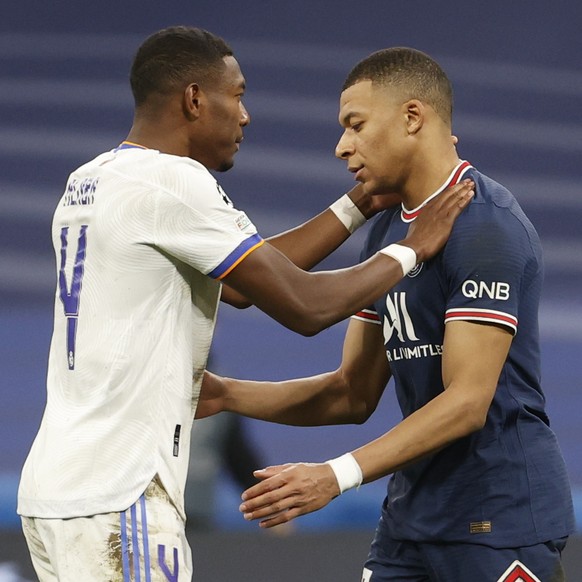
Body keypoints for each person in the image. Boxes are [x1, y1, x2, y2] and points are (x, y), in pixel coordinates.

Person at [16, 28, 473, 581]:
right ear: (193, 100)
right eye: (236, 95)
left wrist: (355, 206)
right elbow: (304, 306)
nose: (246, 115)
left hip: (55, 490)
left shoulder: (89, 180)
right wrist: (411, 250)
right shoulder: (173, 181)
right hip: (122, 490)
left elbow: (238, 285)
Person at [198, 47, 575, 581]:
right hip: (413, 518)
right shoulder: (388, 229)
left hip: (498, 517)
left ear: (412, 118)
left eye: (355, 125)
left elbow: (467, 402)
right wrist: (226, 394)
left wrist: (334, 474)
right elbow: (351, 393)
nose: (341, 147)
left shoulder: (485, 225)